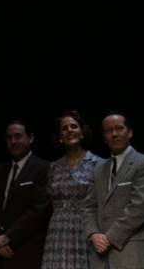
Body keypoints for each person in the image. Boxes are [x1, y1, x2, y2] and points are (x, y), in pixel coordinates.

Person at [82, 112, 144, 269]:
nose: (114, 134)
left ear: (129, 132)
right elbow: (89, 206)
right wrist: (93, 234)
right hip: (99, 255)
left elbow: (140, 208)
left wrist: (109, 238)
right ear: (104, 137)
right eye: (108, 131)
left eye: (119, 128)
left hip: (130, 250)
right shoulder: (98, 167)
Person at [0, 120, 51, 269]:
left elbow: (38, 211)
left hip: (24, 250)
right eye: (9, 137)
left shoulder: (43, 168)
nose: (13, 141)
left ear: (30, 138)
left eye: (18, 136)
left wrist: (7, 238)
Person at [42, 111, 102, 269]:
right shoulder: (53, 167)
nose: (69, 130)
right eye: (64, 128)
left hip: (86, 229)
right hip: (57, 232)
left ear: (82, 133)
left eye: (74, 126)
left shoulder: (98, 163)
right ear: (60, 137)